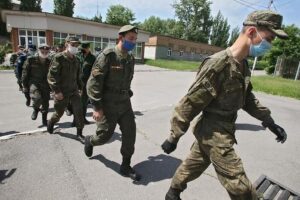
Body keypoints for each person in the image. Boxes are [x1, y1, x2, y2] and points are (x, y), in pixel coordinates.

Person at [161, 10, 288, 200]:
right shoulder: (218, 64)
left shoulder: (242, 64)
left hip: (224, 128)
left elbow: (247, 97)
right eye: (269, 38)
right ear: (252, 32)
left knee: (193, 164)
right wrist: (174, 136)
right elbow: (190, 102)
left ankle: (173, 193)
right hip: (214, 132)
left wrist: (268, 120)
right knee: (240, 187)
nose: (270, 45)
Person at [84, 25, 140, 181]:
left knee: (130, 133)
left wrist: (126, 92)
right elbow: (94, 83)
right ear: (121, 38)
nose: (133, 42)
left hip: (124, 103)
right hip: (108, 103)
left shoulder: (130, 58)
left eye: (135, 39)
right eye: (131, 38)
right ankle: (91, 140)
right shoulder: (107, 56)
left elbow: (126, 79)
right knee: (104, 136)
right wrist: (96, 107)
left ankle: (126, 165)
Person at [47, 36, 84, 138]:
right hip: (61, 91)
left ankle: (79, 133)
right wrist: (57, 91)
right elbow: (52, 76)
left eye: (76, 45)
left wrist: (80, 88)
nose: (75, 47)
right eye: (73, 44)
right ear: (66, 44)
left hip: (74, 90)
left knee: (79, 111)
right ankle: (51, 121)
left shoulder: (76, 60)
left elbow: (78, 76)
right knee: (59, 113)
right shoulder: (59, 58)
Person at [22, 44, 51, 126]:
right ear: (39, 50)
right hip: (34, 83)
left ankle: (44, 120)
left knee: (46, 103)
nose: (44, 52)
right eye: (42, 51)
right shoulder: (31, 60)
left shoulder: (49, 61)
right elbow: (25, 73)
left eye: (46, 51)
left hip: (46, 84)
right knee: (37, 98)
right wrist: (24, 86)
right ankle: (35, 109)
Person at [72, 41, 96, 125]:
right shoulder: (77, 56)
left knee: (84, 102)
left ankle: (83, 118)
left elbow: (94, 71)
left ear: (88, 48)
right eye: (82, 48)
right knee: (76, 102)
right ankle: (75, 120)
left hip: (86, 83)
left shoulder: (93, 58)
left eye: (85, 48)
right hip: (76, 83)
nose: (83, 50)